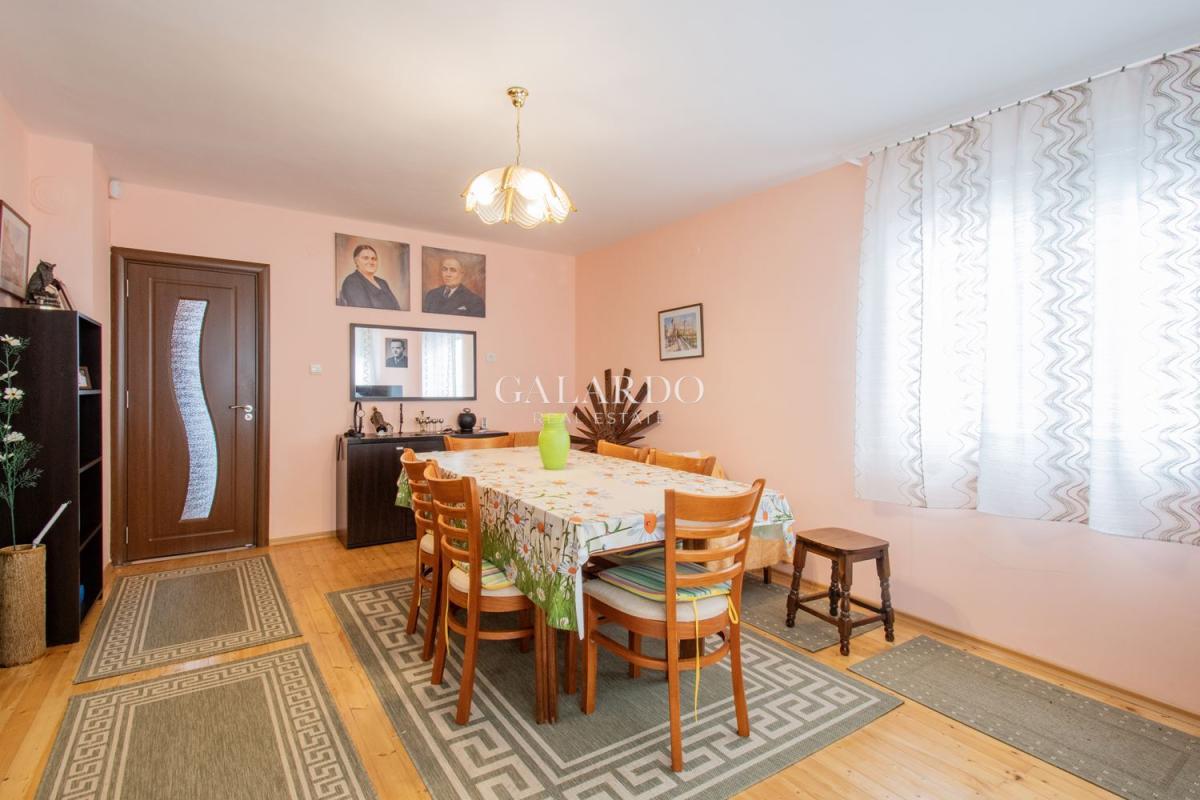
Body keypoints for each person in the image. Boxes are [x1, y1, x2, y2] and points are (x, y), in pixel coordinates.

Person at [338, 244, 402, 309]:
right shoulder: (352, 282)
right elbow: (364, 311)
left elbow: (397, 307)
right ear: (356, 261)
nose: (371, 262)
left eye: (374, 259)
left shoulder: (383, 282)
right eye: (366, 258)